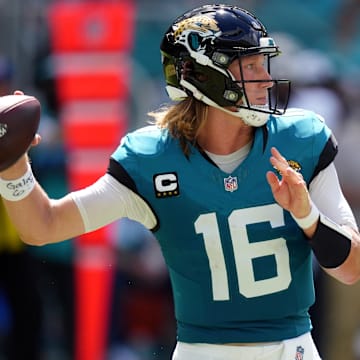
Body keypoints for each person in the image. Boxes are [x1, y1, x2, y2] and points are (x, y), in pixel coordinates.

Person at [0, 4, 360, 360]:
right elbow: (44, 225)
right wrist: (13, 165)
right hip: (201, 351)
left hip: (292, 348)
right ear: (203, 75)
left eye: (262, 64)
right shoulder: (149, 159)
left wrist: (308, 217)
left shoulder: (302, 138)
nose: (265, 79)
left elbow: (351, 269)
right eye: (250, 66)